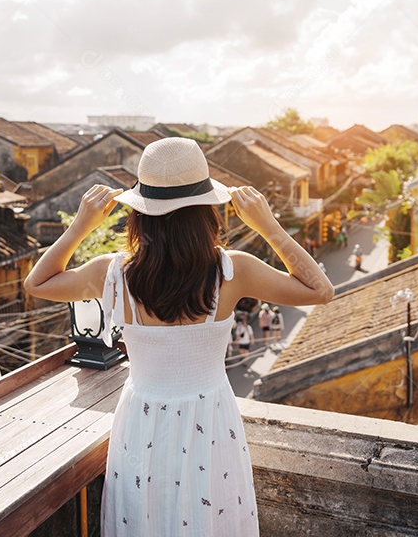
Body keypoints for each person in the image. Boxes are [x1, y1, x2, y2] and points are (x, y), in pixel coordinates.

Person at [24, 137, 333, 537]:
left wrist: (82, 224)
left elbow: (38, 283)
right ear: (207, 211)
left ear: (140, 216)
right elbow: (320, 290)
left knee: (146, 517)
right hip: (211, 418)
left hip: (142, 419)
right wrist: (267, 224)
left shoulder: (113, 273)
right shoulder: (232, 270)